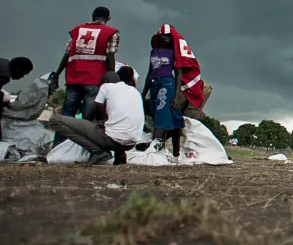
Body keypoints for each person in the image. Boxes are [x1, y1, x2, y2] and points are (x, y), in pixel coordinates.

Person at [50, 6, 119, 145]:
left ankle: (57, 147)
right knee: (88, 119)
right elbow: (110, 57)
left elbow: (67, 54)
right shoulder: (111, 32)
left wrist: (57, 74)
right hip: (94, 79)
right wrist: (111, 80)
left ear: (92, 16)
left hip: (73, 78)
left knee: (66, 116)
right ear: (108, 18)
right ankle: (84, 149)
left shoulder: (78, 30)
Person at [48, 66, 145, 165]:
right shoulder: (135, 92)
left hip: (112, 140)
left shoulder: (106, 87)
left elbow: (91, 113)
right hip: (131, 144)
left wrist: (81, 125)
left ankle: (99, 152)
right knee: (115, 128)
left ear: (105, 82)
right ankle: (120, 154)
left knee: (55, 120)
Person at [142, 26, 204, 159]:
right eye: (163, 36)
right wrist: (143, 92)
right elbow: (150, 72)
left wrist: (176, 95)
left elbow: (178, 74)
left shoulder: (175, 53)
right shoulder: (154, 51)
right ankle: (173, 152)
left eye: (169, 37)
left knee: (162, 113)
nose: (166, 38)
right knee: (172, 117)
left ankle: (157, 145)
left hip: (167, 84)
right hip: (154, 84)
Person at [0, 57, 35, 141]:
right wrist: (4, 102)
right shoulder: (4, 75)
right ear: (18, 69)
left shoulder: (3, 64)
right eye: (23, 73)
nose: (22, 77)